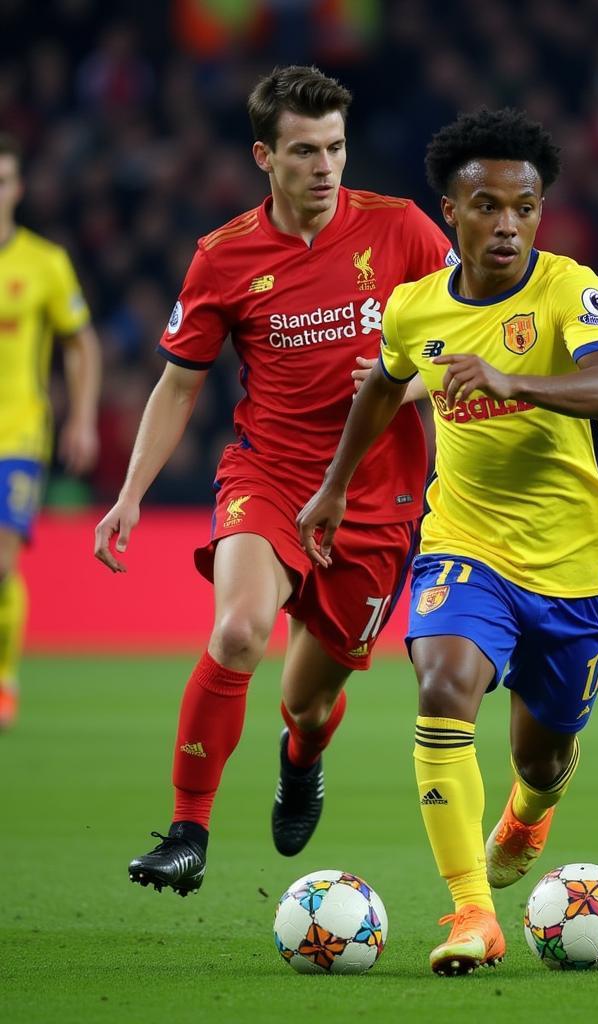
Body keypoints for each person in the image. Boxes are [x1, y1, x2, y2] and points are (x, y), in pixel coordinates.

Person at [93, 65, 455, 895]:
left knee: (309, 705)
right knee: (239, 633)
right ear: (264, 155)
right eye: (304, 151)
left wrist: (412, 377)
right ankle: (189, 829)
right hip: (271, 476)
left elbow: (471, 329)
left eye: (335, 148)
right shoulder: (222, 258)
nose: (325, 166)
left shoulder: (400, 230)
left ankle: (300, 760)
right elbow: (179, 382)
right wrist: (131, 492)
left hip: (379, 498)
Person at [297, 108, 598, 975]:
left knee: (543, 752)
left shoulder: (567, 286)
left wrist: (512, 378)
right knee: (443, 684)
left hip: (576, 562)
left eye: (525, 207)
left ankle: (529, 811)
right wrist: (334, 488)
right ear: (450, 210)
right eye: (487, 206)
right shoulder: (414, 307)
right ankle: (472, 915)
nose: (508, 225)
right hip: (464, 543)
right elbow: (382, 383)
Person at [0, 134, 101, 731]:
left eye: (4, 180)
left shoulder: (44, 263)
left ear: (17, 188)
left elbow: (80, 341)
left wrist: (83, 417)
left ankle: (5, 680)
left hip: (18, 434)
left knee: (2, 564)